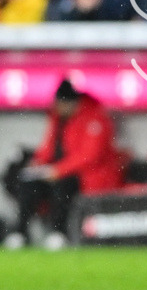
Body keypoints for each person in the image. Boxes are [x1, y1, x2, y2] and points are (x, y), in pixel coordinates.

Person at [3, 79, 128, 250]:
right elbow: (49, 147)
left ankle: (58, 232)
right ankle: (20, 232)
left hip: (86, 177)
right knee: (28, 184)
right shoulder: (58, 119)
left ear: (71, 103)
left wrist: (58, 170)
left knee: (63, 186)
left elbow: (89, 156)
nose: (58, 108)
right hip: (56, 172)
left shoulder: (95, 117)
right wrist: (37, 163)